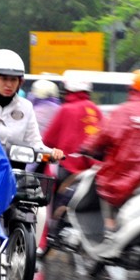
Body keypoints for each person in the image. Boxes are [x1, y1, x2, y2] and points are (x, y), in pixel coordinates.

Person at [81, 69, 140, 236]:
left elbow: (103, 136)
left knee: (103, 183)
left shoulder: (123, 111)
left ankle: (110, 228)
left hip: (129, 176)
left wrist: (88, 148)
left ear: (132, 90)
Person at [40, 74, 102, 253]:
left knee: (44, 198)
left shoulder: (66, 109)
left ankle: (47, 237)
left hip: (69, 168)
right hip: (93, 170)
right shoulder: (95, 110)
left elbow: (48, 140)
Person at [0, 49, 64, 160]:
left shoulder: (26, 106)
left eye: (14, 79)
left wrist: (52, 154)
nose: (9, 84)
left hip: (14, 172)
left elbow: (35, 144)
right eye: (4, 79)